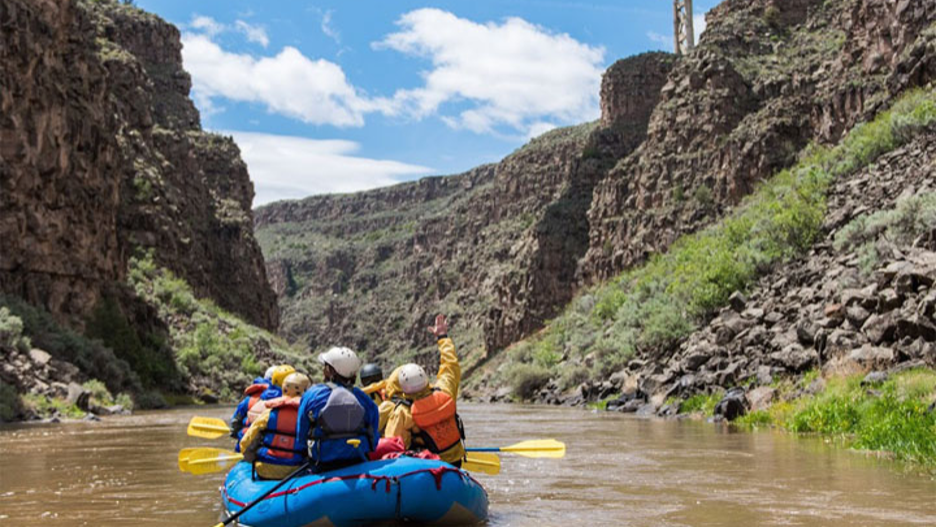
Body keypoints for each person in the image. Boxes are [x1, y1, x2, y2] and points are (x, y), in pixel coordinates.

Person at [384, 315, 466, 467]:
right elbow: (450, 365)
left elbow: (393, 446)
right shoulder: (445, 391)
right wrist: (443, 337)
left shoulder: (403, 411)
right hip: (455, 462)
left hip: (426, 468)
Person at [296, 347, 380, 472]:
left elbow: (301, 439)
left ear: (330, 371)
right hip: (358, 461)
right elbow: (374, 440)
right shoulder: (365, 399)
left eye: (325, 366)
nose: (323, 369)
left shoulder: (312, 395)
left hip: (320, 465)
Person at [240, 372, 312, 479]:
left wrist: (251, 458)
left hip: (265, 468)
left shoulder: (268, 413)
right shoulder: (308, 416)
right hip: (295, 470)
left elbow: (246, 442)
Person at [229, 366, 285, 451]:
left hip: (245, 446)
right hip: (271, 448)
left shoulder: (249, 399)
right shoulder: (284, 398)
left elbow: (235, 422)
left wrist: (235, 434)